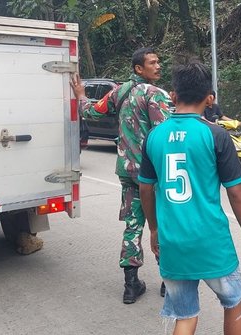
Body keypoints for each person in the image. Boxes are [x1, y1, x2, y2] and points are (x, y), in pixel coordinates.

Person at [138, 59, 241, 335]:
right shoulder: (216, 135)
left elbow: (145, 189)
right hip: (211, 241)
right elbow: (237, 191)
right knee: (234, 303)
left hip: (172, 240)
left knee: (185, 315)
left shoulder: (154, 136)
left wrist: (155, 230)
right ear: (210, 98)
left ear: (172, 96)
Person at [70, 47, 172, 304]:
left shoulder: (119, 91)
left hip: (127, 171)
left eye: (158, 61)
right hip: (154, 175)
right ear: (139, 68)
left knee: (134, 224)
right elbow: (167, 135)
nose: (158, 66)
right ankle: (170, 281)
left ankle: (131, 285)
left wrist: (81, 95)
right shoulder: (155, 95)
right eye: (153, 62)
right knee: (163, 224)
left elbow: (90, 112)